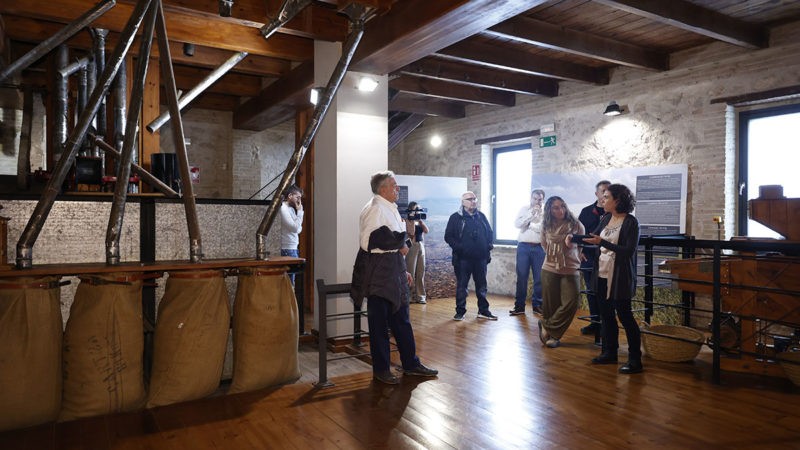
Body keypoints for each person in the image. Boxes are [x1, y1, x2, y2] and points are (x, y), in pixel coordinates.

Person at [352, 171, 438, 385]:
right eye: (394, 185)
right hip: (380, 274)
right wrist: (401, 241)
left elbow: (394, 243)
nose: (397, 189)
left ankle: (411, 363)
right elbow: (370, 241)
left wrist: (403, 269)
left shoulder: (388, 208)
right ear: (382, 189)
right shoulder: (374, 209)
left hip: (394, 271)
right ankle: (381, 370)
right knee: (379, 325)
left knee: (402, 321)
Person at [583, 184, 643, 374]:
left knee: (625, 316)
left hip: (619, 276)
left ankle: (635, 360)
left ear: (617, 200)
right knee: (606, 315)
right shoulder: (606, 217)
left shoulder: (631, 222)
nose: (603, 200)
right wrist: (572, 239)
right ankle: (610, 352)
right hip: (601, 272)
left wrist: (603, 242)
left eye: (607, 197)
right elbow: (594, 238)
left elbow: (628, 252)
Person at [536, 196, 585, 348]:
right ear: (549, 210)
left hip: (571, 268)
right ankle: (554, 337)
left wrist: (570, 254)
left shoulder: (575, 224)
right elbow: (544, 244)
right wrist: (556, 256)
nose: (561, 210)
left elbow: (581, 244)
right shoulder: (546, 226)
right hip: (550, 268)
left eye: (562, 206)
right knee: (551, 304)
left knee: (571, 302)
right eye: (556, 208)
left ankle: (546, 325)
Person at [444, 191, 497, 321]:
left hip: (481, 258)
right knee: (462, 286)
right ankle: (460, 312)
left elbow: (489, 232)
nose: (473, 201)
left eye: (475, 199)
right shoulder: (455, 217)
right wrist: (460, 248)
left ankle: (483, 311)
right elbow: (448, 236)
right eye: (470, 199)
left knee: (482, 286)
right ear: (463, 202)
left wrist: (488, 246)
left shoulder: (481, 216)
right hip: (463, 259)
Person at [577, 180, 611, 340]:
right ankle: (594, 322)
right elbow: (578, 232)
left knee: (604, 293)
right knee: (591, 292)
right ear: (596, 193)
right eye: (602, 191)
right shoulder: (585, 212)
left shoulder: (613, 213)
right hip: (588, 258)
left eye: (608, 191)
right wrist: (579, 250)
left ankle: (605, 325)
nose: (605, 194)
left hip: (607, 259)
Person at [510, 189, 546, 316]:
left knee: (539, 279)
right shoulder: (524, 209)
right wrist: (531, 215)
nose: (537, 201)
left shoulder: (546, 212)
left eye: (540, 199)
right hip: (523, 247)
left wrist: (529, 225)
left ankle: (537, 305)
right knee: (522, 277)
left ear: (543, 200)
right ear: (531, 198)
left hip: (539, 248)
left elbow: (543, 229)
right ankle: (519, 307)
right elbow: (518, 224)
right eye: (535, 198)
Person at [405, 201, 429, 304]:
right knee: (410, 271)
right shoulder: (407, 221)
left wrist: (420, 221)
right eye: (416, 209)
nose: (418, 211)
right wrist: (412, 220)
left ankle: (420, 296)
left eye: (419, 209)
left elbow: (426, 231)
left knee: (420, 272)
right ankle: (408, 296)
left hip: (420, 245)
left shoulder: (419, 220)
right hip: (412, 246)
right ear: (411, 210)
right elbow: (411, 233)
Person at [279, 184, 304, 284]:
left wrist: (298, 213)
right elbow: (295, 228)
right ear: (290, 196)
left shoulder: (290, 209)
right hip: (287, 249)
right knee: (289, 283)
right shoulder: (283, 208)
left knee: (292, 282)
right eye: (297, 197)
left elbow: (298, 229)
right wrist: (300, 211)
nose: (299, 201)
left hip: (293, 247)